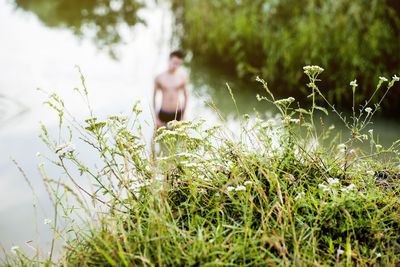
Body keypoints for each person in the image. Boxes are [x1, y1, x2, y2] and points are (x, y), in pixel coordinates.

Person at [153, 50, 188, 128]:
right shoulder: (159, 77)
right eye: (175, 63)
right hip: (163, 112)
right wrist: (156, 118)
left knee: (178, 138)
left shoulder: (183, 77)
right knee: (158, 137)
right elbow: (154, 97)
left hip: (177, 113)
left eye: (179, 64)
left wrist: (183, 116)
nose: (176, 66)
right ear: (169, 60)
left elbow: (186, 96)